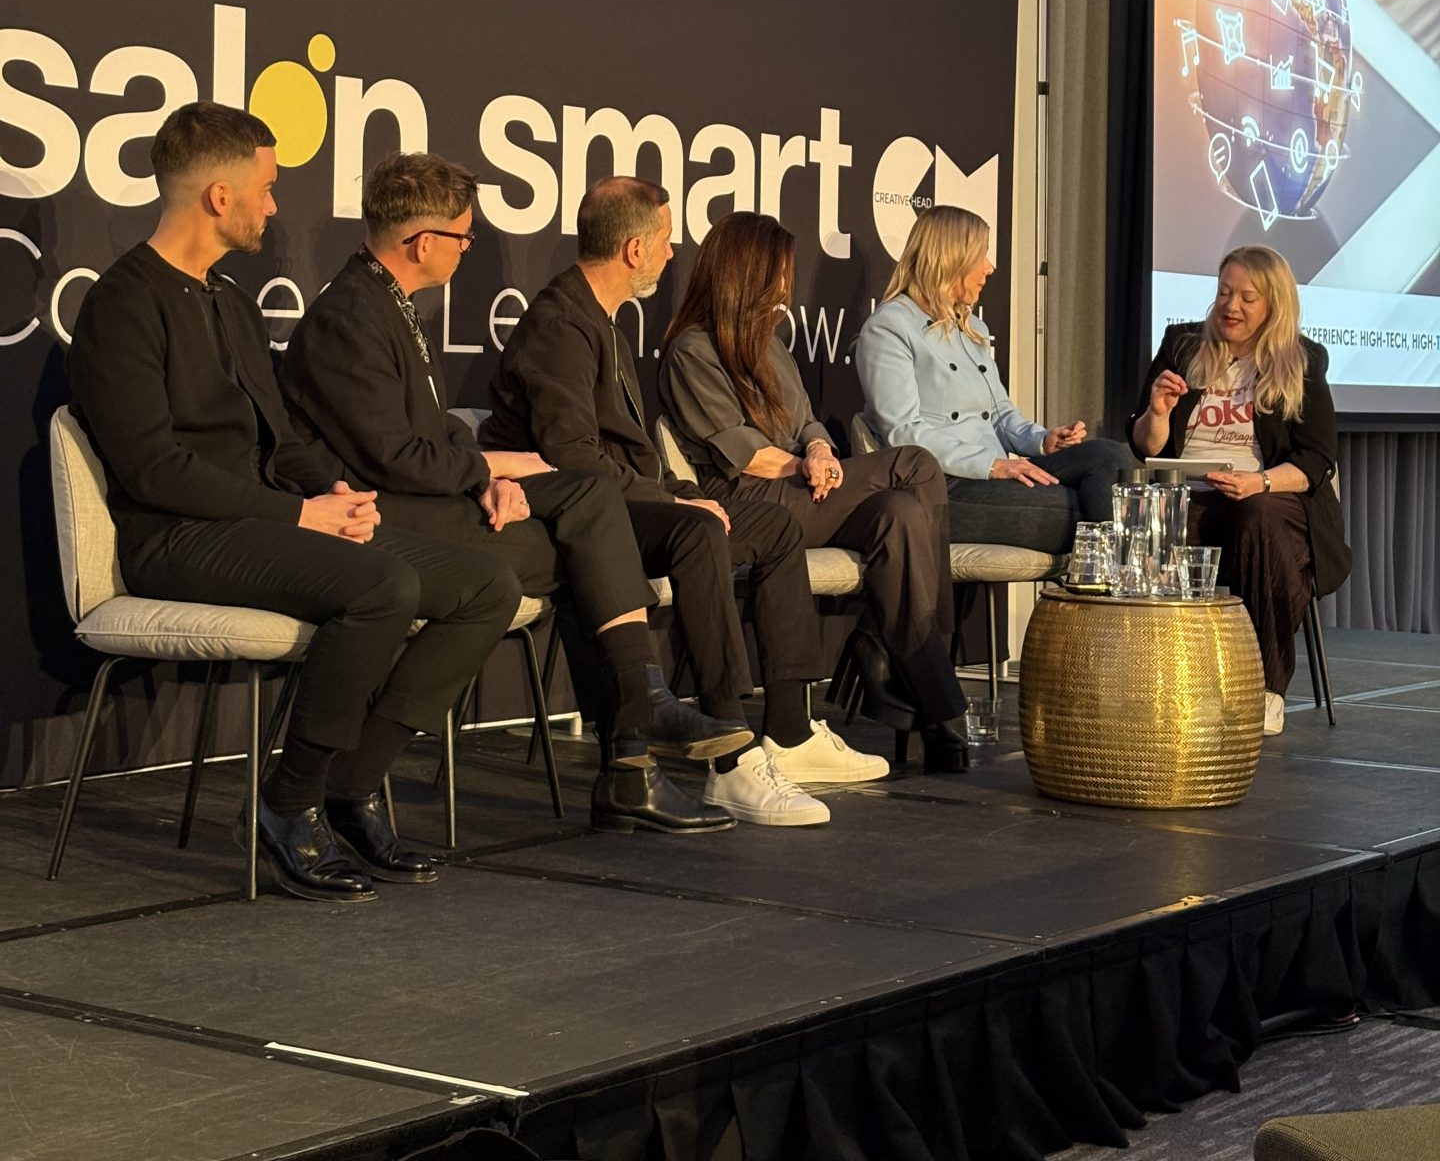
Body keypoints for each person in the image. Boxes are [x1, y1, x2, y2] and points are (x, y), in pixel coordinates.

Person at [67, 103, 520, 904]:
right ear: (220, 196)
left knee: (486, 585)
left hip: (263, 522)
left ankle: (350, 786)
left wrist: (333, 491)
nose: (275, 206)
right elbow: (154, 469)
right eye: (268, 188)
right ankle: (286, 804)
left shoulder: (232, 303)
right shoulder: (123, 303)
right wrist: (300, 516)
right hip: (176, 536)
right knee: (381, 587)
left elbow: (279, 439)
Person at [280, 152, 741, 837]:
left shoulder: (387, 304)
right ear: (423, 242)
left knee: (587, 510)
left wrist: (490, 476)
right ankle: (634, 734)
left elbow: (432, 432)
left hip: (424, 498)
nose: (468, 249)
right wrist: (487, 469)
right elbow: (393, 458)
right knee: (585, 542)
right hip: (375, 516)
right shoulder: (349, 316)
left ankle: (636, 734)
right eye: (463, 236)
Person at [485, 177, 878, 826]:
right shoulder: (561, 325)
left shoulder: (600, 320)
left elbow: (622, 456)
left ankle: (788, 729)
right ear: (635, 249)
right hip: (568, 516)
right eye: (666, 241)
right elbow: (575, 460)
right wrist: (676, 504)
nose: (673, 255)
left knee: (773, 527)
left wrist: (679, 492)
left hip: (616, 500)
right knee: (698, 533)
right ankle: (731, 760)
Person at [660, 212, 970, 775]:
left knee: (900, 512)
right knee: (917, 466)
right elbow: (745, 453)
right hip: (749, 501)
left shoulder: (771, 346)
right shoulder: (693, 351)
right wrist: (806, 464)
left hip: (804, 491)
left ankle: (927, 700)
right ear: (747, 273)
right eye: (780, 272)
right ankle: (933, 669)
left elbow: (807, 424)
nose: (787, 286)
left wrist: (822, 451)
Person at [1128, 245, 1349, 735]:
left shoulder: (1302, 360)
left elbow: (1316, 460)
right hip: (1189, 498)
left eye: (1247, 298)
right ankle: (1148, 684)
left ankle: (1263, 690)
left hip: (1269, 500)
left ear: (1274, 304)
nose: (1231, 306)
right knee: (1143, 514)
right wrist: (1157, 413)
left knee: (1260, 519)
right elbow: (1146, 447)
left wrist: (1259, 482)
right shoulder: (1182, 346)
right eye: (1225, 293)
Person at [856, 207, 1131, 553]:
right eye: (981, 255)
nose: (990, 267)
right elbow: (904, 433)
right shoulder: (890, 328)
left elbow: (1000, 413)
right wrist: (991, 465)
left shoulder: (972, 329)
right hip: (945, 485)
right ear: (951, 258)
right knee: (1081, 508)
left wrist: (1043, 440)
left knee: (1110, 456)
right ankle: (1121, 578)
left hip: (996, 472)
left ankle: (1117, 576)